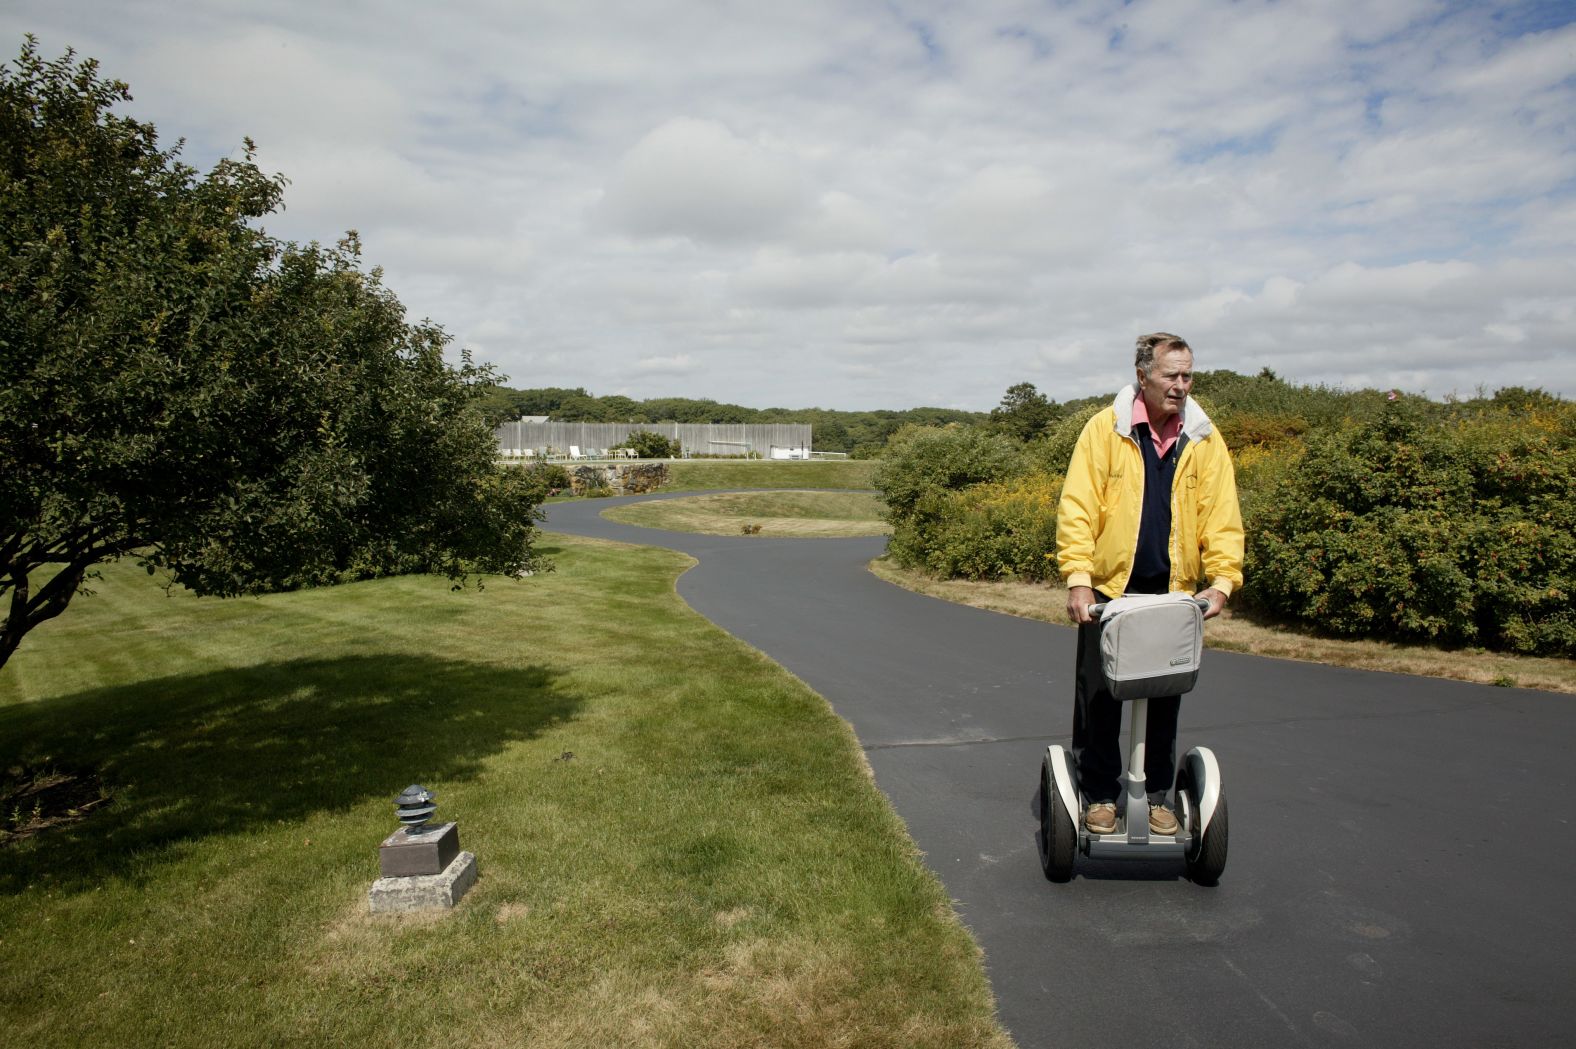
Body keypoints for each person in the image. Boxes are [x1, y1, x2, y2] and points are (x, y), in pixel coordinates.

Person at [1055, 333, 1244, 836]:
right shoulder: (1106, 430)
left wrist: (1221, 581)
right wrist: (1079, 579)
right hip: (1109, 591)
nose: (1181, 386)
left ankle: (1157, 794)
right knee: (1100, 696)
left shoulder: (1202, 437)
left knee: (1164, 695)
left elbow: (1222, 516)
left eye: (1187, 376)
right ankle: (1099, 794)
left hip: (1173, 593)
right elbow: (1078, 507)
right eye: (1171, 376)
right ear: (1143, 377)